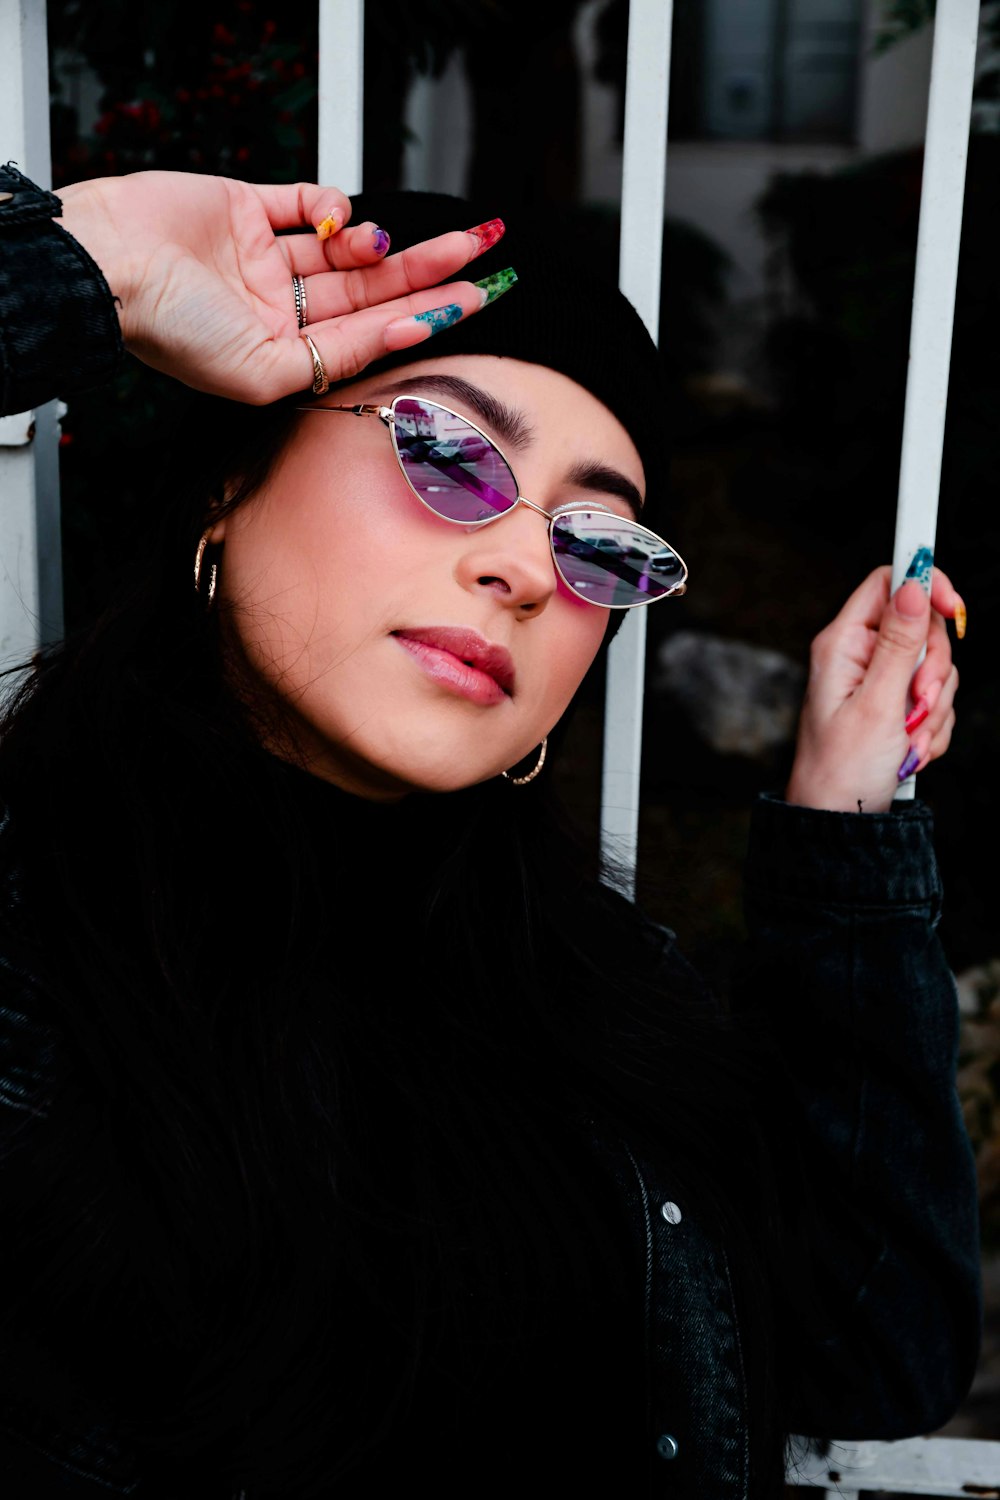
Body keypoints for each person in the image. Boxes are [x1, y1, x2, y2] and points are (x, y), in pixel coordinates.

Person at [0, 162, 981, 1499]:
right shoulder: (33, 914)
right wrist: (89, 265)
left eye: (599, 541)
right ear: (230, 483)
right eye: (447, 452)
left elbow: (876, 1354)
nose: (527, 567)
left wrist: (844, 830)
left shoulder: (602, 991)